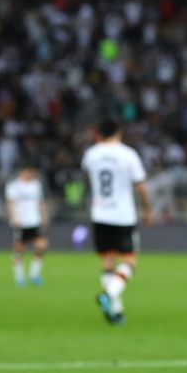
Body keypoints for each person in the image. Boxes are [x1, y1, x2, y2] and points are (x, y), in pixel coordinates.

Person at [81, 119, 151, 325]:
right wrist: (148, 209)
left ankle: (116, 312)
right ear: (118, 132)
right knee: (129, 260)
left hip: (100, 214)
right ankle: (109, 294)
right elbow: (141, 186)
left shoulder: (91, 154)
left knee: (107, 261)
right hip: (123, 215)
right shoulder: (128, 154)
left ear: (98, 133)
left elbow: (87, 176)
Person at [5, 164, 48, 286]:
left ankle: (34, 274)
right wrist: (14, 217)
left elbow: (40, 202)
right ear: (24, 171)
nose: (32, 175)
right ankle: (19, 277)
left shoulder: (36, 185)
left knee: (41, 245)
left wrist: (43, 216)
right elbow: (10, 203)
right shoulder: (14, 186)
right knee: (19, 249)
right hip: (21, 222)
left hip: (34, 221)